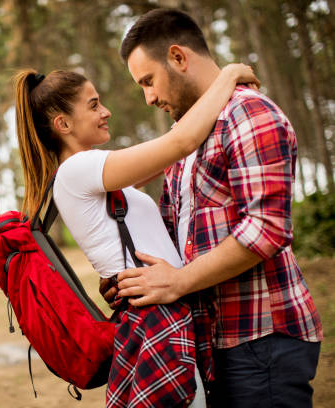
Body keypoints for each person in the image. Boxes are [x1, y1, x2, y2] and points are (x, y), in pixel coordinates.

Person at [101, 8, 322, 408]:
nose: (148, 97)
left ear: (179, 57)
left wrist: (178, 282)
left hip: (261, 340)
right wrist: (139, 281)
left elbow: (266, 229)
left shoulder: (249, 113)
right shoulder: (184, 139)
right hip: (211, 343)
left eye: (148, 81)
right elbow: (174, 237)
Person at [14, 62, 257, 407]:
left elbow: (173, 154)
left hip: (160, 311)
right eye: (94, 104)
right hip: (156, 319)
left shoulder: (95, 176)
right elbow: (181, 141)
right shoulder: (77, 170)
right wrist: (228, 75)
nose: (106, 112)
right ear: (63, 124)